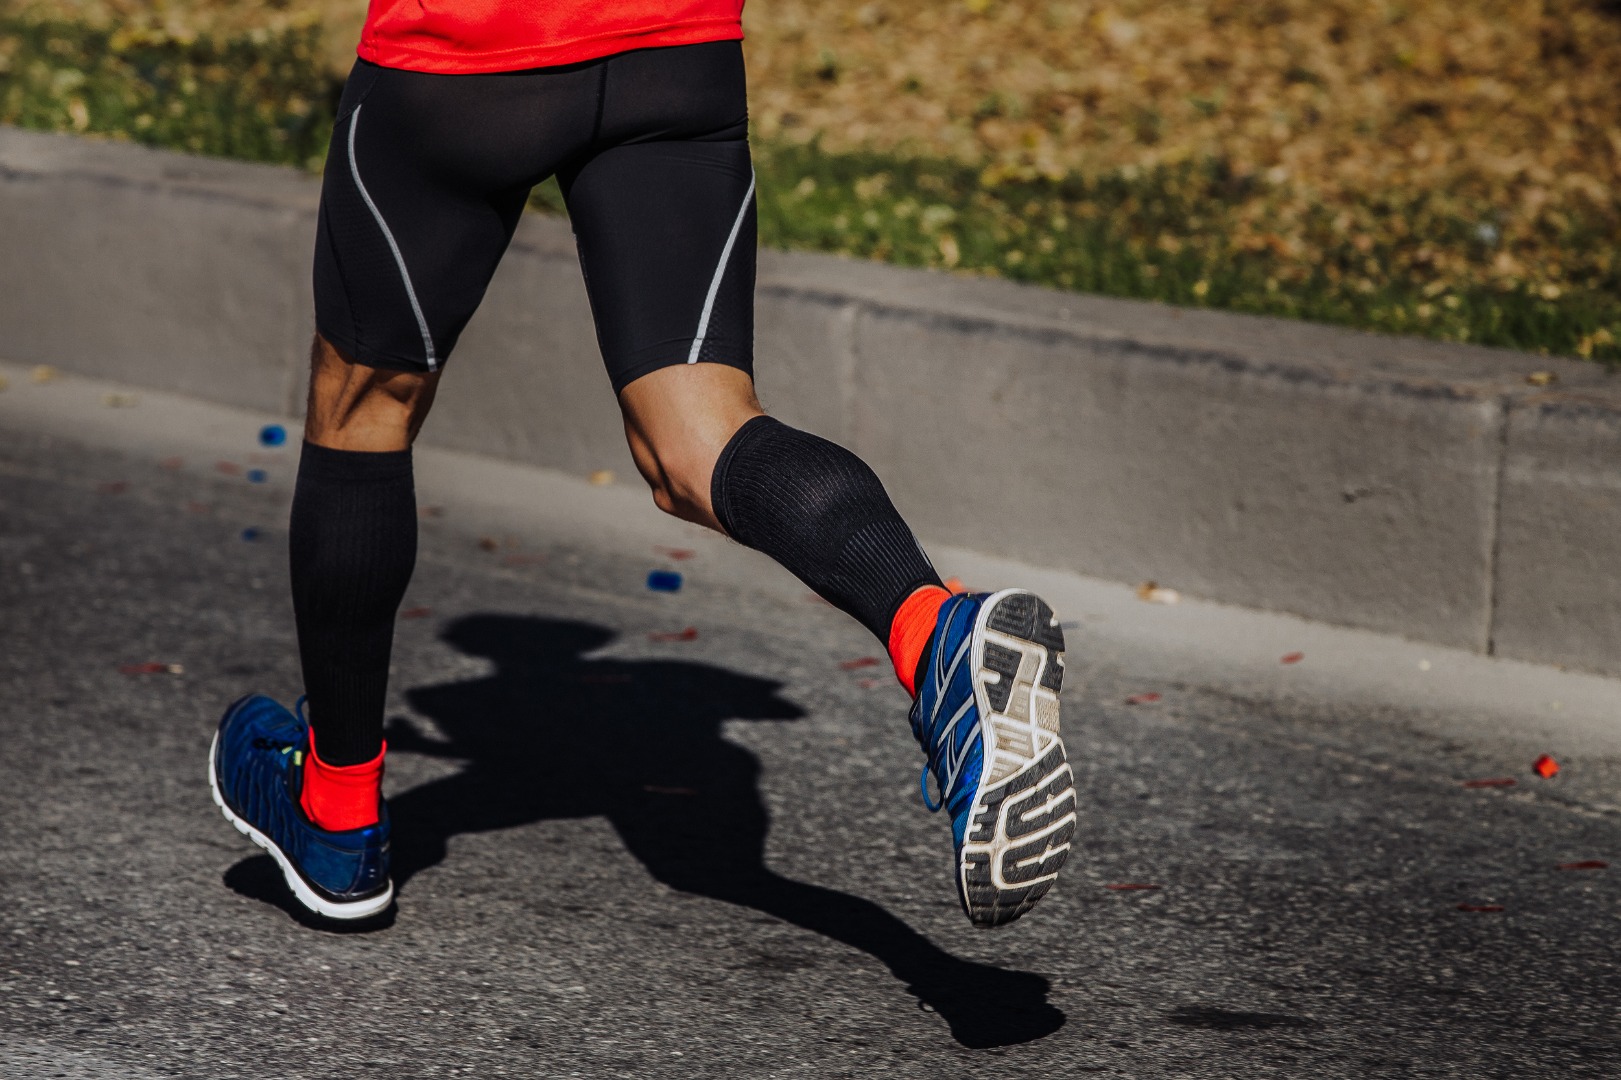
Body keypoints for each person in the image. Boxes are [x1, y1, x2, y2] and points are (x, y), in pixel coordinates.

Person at [209, 0, 1075, 931]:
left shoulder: (468, 702)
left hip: (467, 57)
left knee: (365, 403)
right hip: (672, 57)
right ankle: (933, 631)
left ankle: (336, 815)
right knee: (699, 441)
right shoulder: (723, 706)